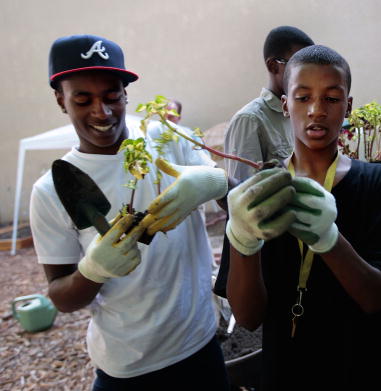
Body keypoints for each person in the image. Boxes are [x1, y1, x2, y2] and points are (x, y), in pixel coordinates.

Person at [30, 34, 231, 390]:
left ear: (126, 93)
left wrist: (215, 181)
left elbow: (235, 201)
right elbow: (61, 296)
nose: (102, 112)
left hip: (200, 345)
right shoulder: (53, 189)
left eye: (111, 97)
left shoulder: (167, 141)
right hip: (127, 367)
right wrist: (93, 271)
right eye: (83, 99)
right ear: (61, 100)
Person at [215, 45, 381, 391]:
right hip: (288, 369)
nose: (316, 111)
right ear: (284, 104)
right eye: (303, 97)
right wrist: (242, 238)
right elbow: (247, 317)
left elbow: (375, 298)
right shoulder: (262, 194)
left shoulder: (380, 184)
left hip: (366, 367)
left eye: (332, 99)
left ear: (348, 106)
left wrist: (328, 239)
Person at [223, 26, 314, 181]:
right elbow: (244, 195)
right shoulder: (249, 120)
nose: (307, 75)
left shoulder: (305, 113)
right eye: (299, 66)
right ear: (273, 66)